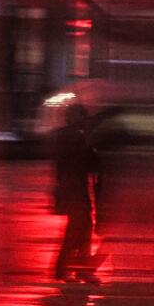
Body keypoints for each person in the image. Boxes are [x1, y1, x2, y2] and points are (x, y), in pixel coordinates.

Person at [53, 103, 102, 283]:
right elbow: (90, 163)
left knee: (77, 228)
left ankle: (72, 269)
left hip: (68, 188)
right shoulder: (76, 137)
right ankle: (74, 269)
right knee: (80, 228)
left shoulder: (62, 135)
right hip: (77, 189)